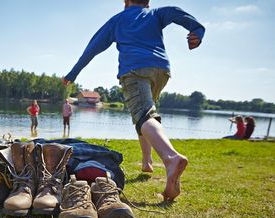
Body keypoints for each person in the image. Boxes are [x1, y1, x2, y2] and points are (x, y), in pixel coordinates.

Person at [63, 0, 205, 201]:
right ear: (147, 2)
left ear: (126, 1)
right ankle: (147, 162)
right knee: (146, 117)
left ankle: (171, 157)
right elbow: (176, 12)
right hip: (161, 70)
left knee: (144, 116)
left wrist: (73, 73)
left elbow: (93, 47)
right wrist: (197, 31)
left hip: (135, 70)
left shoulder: (118, 20)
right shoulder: (155, 14)